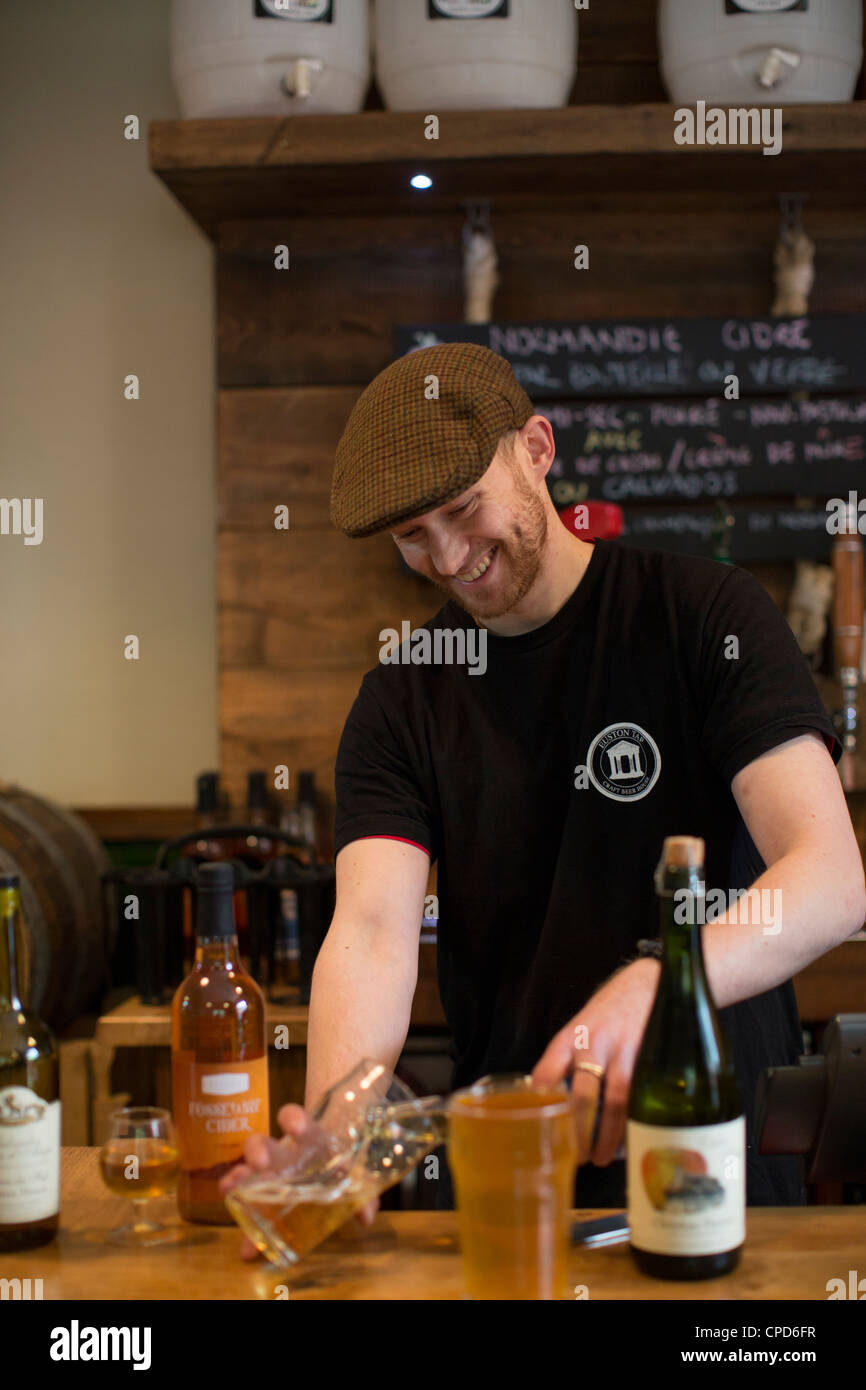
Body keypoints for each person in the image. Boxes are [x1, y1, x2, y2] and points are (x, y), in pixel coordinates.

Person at [222, 342, 865, 1248]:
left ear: (536, 449)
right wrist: (337, 1136)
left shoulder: (707, 617)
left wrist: (660, 983)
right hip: (516, 1174)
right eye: (412, 535)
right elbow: (369, 937)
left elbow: (831, 877)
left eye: (461, 508)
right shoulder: (403, 701)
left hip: (717, 1160)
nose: (446, 558)